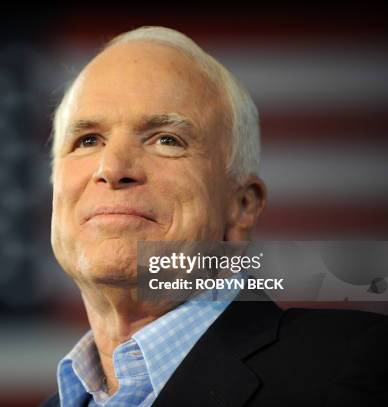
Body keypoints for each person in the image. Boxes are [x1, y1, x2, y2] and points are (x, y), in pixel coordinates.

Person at [41, 26, 388, 406]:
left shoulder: (354, 365)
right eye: (87, 139)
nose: (112, 167)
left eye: (166, 139)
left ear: (242, 206)